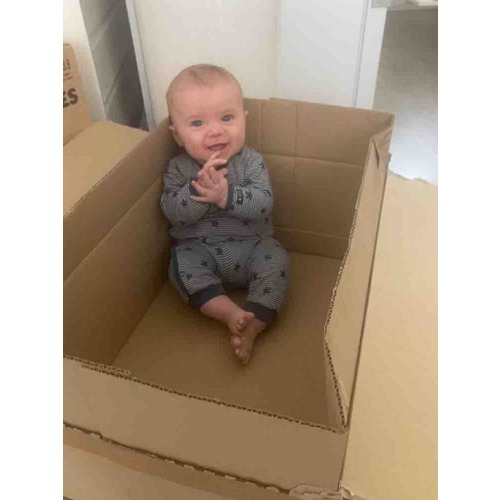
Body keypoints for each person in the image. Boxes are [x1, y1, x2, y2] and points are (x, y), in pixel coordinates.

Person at [160, 64, 289, 364]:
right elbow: (172, 212)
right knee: (180, 265)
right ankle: (229, 313)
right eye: (197, 123)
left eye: (227, 118)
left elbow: (264, 202)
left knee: (277, 259)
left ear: (244, 119)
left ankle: (255, 320)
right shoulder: (178, 169)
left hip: (253, 247)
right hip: (200, 250)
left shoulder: (251, 161)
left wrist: (225, 195)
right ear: (177, 136)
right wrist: (198, 191)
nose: (216, 131)